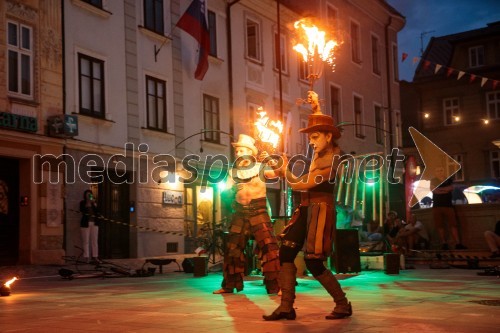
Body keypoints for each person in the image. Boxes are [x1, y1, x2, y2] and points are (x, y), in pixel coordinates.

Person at [263, 96, 351, 321]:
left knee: (313, 261)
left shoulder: (332, 161)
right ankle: (286, 308)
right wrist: (316, 107)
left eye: (315, 137)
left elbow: (301, 183)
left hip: (320, 211)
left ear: (328, 136)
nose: (310, 142)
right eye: (310, 137)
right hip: (305, 209)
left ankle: (342, 304)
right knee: (286, 252)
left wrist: (284, 171)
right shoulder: (320, 154)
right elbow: (298, 179)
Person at [213, 134, 281, 294]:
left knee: (269, 248)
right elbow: (224, 194)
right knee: (232, 248)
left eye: (242, 149)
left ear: (250, 152)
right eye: (237, 150)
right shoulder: (233, 172)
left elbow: (278, 174)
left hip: (258, 210)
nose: (238, 153)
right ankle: (228, 285)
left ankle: (276, 286)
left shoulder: (260, 167)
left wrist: (272, 160)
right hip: (239, 212)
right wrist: (231, 191)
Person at [430, 167, 466, 250]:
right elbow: (434, 190)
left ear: (443, 171)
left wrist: (439, 189)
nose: (439, 172)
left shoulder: (448, 179)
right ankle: (444, 243)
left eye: (441, 170)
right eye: (438, 170)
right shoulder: (433, 180)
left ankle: (457, 243)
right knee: (440, 226)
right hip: (437, 206)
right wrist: (445, 190)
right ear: (435, 173)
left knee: (453, 225)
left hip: (448, 205)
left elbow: (450, 188)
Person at [79, 189, 100, 263]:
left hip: (94, 223)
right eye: (87, 195)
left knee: (94, 240)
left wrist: (94, 204)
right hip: (85, 224)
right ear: (85, 195)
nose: (88, 196)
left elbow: (98, 212)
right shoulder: (82, 203)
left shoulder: (94, 203)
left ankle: (95, 256)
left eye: (90, 194)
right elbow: (81, 211)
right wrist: (87, 204)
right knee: (86, 241)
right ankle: (86, 257)